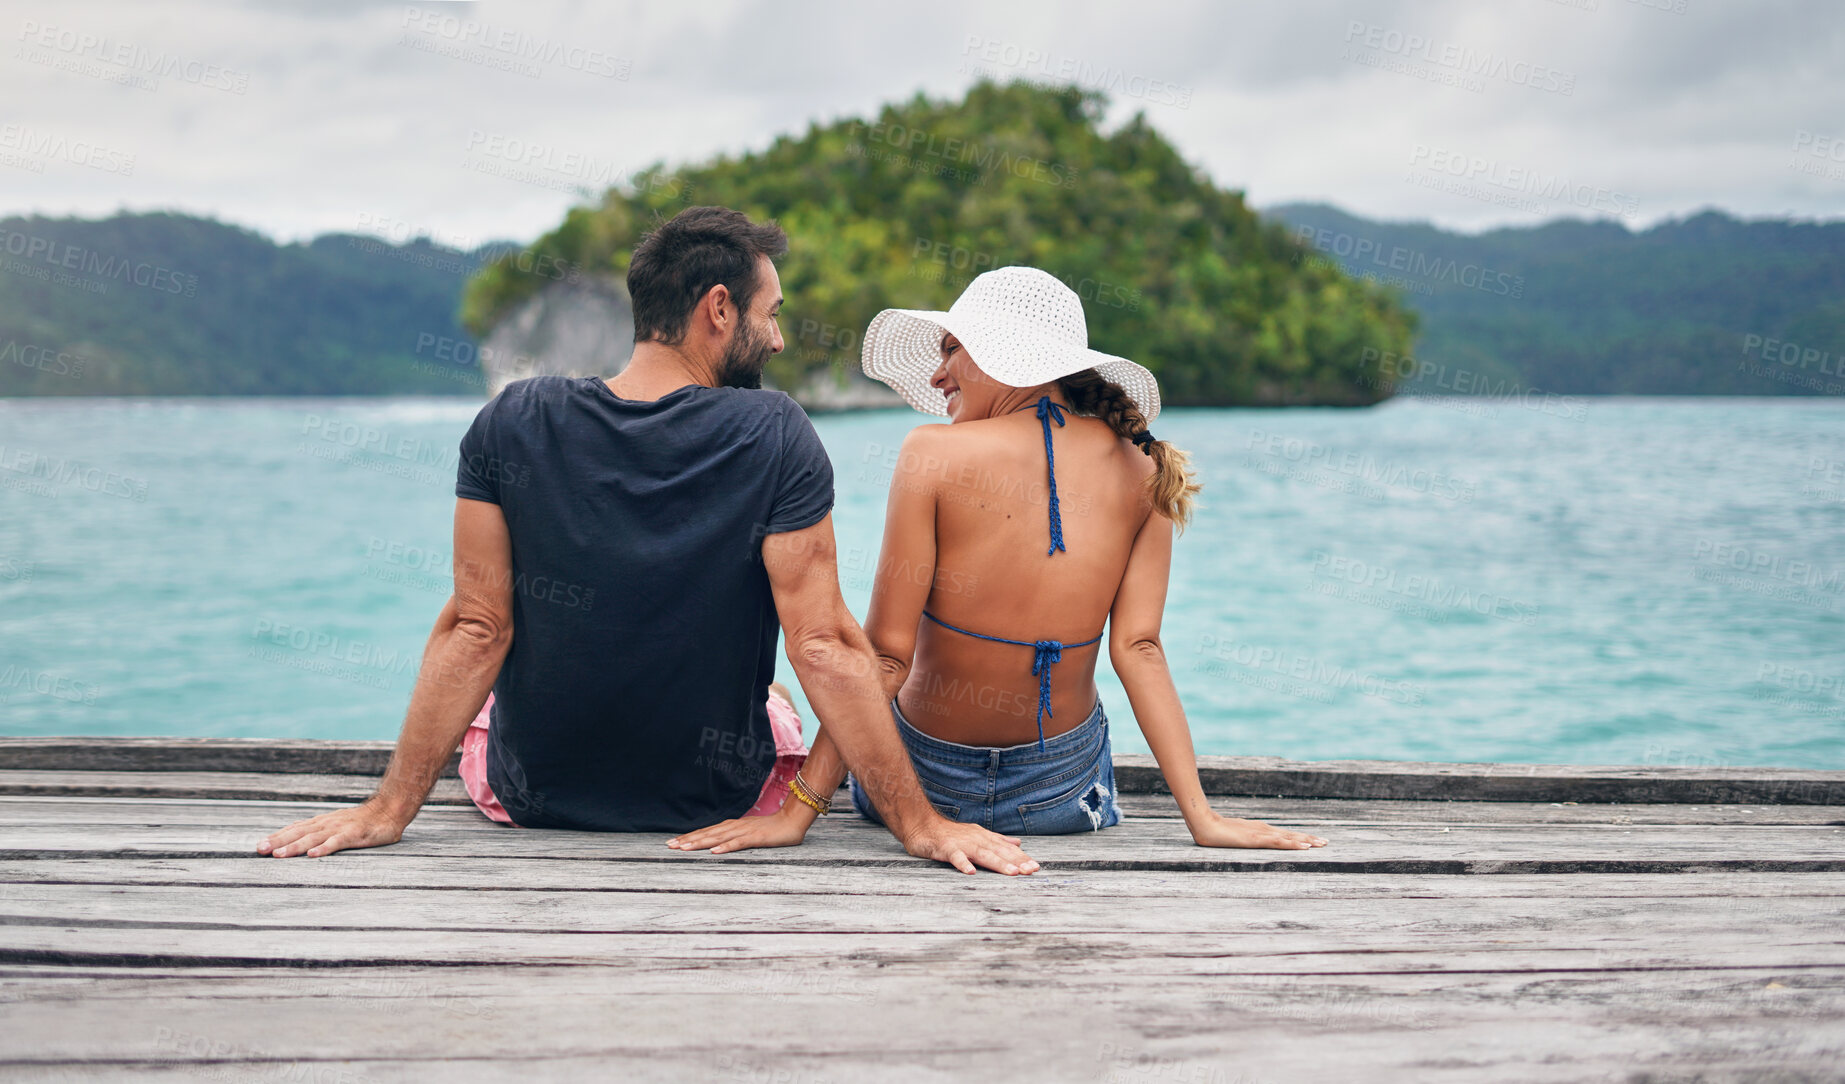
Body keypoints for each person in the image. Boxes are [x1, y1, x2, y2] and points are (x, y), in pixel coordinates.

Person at [259, 207, 1039, 876]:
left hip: (533, 800)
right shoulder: (773, 432)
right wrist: (920, 824)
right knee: (776, 698)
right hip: (715, 799)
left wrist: (389, 809)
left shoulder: (513, 417)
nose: (775, 340)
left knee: (493, 684)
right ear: (719, 310)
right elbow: (826, 644)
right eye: (769, 314)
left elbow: (476, 626)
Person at [670, 267, 1329, 853]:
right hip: (1063, 796)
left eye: (951, 349)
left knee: (778, 699)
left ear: (1010, 354)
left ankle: (780, 713)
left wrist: (797, 813)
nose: (935, 374)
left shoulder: (930, 453)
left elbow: (888, 660)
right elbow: (1139, 649)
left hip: (926, 784)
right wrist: (1203, 819)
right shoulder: (1144, 470)